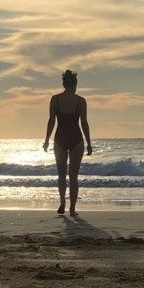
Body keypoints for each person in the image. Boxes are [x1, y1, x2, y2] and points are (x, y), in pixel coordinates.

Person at [43, 70, 92, 215]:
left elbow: (51, 121)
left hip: (60, 139)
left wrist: (46, 140)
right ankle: (72, 209)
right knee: (74, 176)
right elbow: (84, 123)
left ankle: (62, 203)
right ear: (75, 84)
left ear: (64, 84)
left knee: (61, 175)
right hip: (76, 139)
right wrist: (89, 142)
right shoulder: (80, 101)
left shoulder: (55, 99)